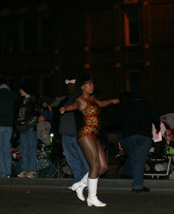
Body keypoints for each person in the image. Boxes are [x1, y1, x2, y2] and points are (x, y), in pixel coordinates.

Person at [60, 76, 119, 207]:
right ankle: (92, 197)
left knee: (103, 167)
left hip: (95, 135)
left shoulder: (93, 100)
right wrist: (65, 109)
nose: (92, 86)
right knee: (95, 165)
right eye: (89, 84)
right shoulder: (80, 100)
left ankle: (80, 185)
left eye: (92, 84)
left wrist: (113, 101)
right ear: (82, 86)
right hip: (86, 134)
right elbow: (74, 106)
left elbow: (103, 104)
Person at [116, 91, 158, 193]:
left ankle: (127, 174)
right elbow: (155, 118)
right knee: (139, 160)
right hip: (143, 135)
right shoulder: (147, 106)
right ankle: (138, 185)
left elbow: (118, 121)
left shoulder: (127, 107)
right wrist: (157, 127)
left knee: (134, 157)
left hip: (128, 136)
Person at [15, 83, 40, 178]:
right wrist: (18, 123)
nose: (20, 91)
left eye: (21, 89)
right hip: (23, 129)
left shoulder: (32, 102)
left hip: (30, 129)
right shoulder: (22, 102)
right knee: (23, 150)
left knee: (31, 150)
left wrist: (27, 125)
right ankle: (24, 169)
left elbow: (35, 116)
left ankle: (32, 170)